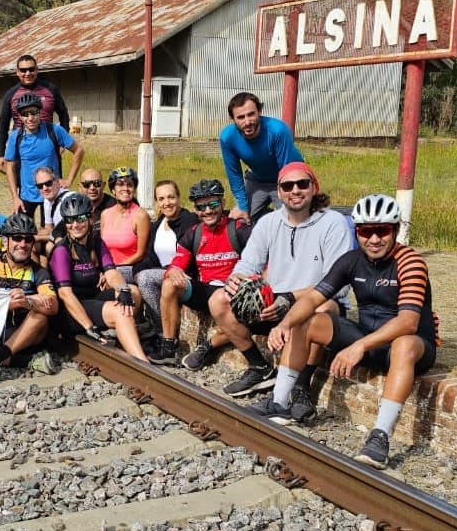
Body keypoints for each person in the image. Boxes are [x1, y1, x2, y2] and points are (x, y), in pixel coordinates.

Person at [252, 194, 439, 469]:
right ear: (357, 233)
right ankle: (279, 402)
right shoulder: (351, 260)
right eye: (365, 231)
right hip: (369, 339)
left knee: (404, 344)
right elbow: (313, 298)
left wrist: (359, 347)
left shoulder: (410, 262)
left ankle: (380, 437)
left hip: (411, 347)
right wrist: (284, 324)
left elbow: (408, 322)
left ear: (395, 231)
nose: (374, 239)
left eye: (382, 231)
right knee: (308, 321)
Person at [209, 162, 352, 399]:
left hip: (314, 300)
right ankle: (259, 366)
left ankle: (302, 385)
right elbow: (248, 263)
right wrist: (236, 278)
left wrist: (292, 298)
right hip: (273, 303)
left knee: (323, 309)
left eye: (302, 184)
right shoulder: (269, 222)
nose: (295, 190)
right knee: (219, 300)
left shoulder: (333, 222)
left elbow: (338, 283)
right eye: (287, 186)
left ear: (314, 187)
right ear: (279, 192)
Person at [154, 180, 247, 366]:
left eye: (213, 204)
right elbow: (177, 262)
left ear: (223, 202)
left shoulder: (238, 229)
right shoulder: (194, 233)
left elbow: (261, 261)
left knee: (245, 317)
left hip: (231, 292)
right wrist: (173, 271)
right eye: (201, 206)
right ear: (195, 209)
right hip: (205, 290)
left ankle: (209, 346)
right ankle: (168, 346)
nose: (207, 211)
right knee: (169, 283)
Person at [48, 193, 148, 362]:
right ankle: (142, 362)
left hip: (92, 300)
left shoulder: (96, 242)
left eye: (80, 218)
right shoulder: (61, 251)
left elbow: (111, 272)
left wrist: (122, 289)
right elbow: (65, 295)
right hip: (71, 311)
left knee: (133, 292)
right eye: (69, 220)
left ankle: (125, 340)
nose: (75, 224)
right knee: (120, 312)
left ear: (89, 218)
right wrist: (89, 326)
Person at [0, 213, 60, 387]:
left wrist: (27, 301)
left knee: (41, 316)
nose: (22, 244)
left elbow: (53, 306)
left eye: (28, 240)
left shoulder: (39, 271)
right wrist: (28, 298)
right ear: (6, 241)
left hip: (24, 333)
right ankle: (26, 361)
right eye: (17, 238)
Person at [220, 92, 303, 224]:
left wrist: (287, 204)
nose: (247, 122)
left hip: (289, 179)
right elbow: (234, 175)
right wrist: (242, 206)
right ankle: (265, 216)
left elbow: (288, 171)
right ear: (232, 118)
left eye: (251, 114)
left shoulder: (278, 131)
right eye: (241, 117)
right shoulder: (227, 137)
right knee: (240, 220)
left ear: (259, 111)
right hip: (258, 180)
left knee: (290, 221)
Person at [132, 179, 198, 343]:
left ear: (178, 198)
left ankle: (161, 330)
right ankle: (131, 322)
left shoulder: (189, 221)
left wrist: (140, 273)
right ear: (157, 202)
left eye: (171, 197)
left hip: (183, 277)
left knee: (145, 277)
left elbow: (189, 256)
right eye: (161, 199)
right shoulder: (159, 224)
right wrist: (133, 271)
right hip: (161, 273)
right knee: (119, 272)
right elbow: (150, 257)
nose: (167, 203)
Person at [4, 93, 84, 223]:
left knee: (50, 234)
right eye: (25, 114)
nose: (30, 118)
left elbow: (79, 151)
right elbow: (10, 167)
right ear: (19, 116)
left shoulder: (54, 131)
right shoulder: (15, 137)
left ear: (40, 112)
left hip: (51, 194)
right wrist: (15, 197)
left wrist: (69, 180)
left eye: (34, 112)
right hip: (26, 195)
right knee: (24, 234)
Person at [0, 54, 70, 174]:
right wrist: (0, 154)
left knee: (52, 186)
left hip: (48, 147)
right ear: (17, 72)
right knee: (24, 186)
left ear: (37, 70)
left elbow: (64, 115)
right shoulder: (11, 94)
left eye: (31, 69)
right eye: (23, 70)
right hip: (21, 148)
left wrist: (63, 142)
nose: (27, 73)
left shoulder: (50, 89)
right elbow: (3, 126)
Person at [99, 167, 151, 284]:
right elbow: (102, 249)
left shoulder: (141, 215)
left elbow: (141, 254)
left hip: (130, 269)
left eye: (129, 185)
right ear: (113, 190)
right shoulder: (105, 214)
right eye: (120, 185)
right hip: (108, 268)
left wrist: (113, 271)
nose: (125, 188)